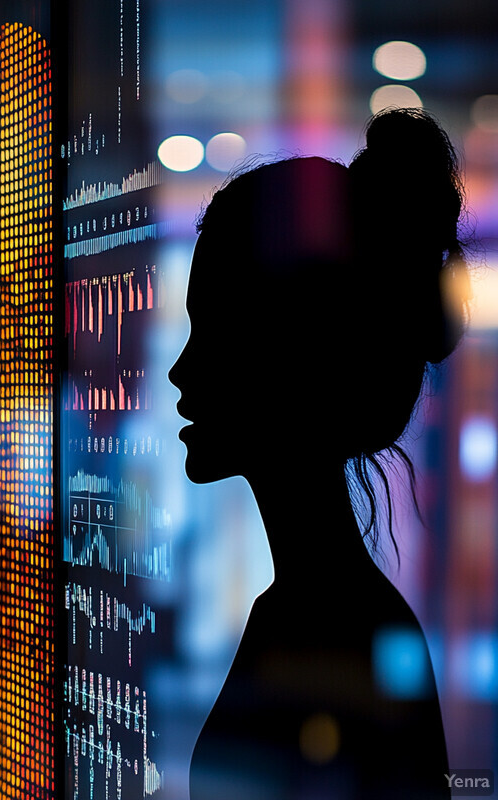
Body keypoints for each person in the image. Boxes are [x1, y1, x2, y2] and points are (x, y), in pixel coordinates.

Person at [168, 108, 471, 800]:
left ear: (293, 361)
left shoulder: (333, 627)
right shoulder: (322, 612)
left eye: (214, 335)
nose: (181, 373)